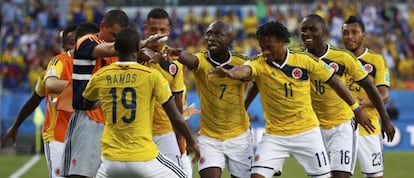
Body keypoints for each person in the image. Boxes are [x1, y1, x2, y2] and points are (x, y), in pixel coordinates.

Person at [208, 21, 372, 178]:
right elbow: (244, 70)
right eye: (262, 47)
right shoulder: (259, 62)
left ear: (282, 42)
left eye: (270, 47)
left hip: (307, 133)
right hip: (275, 136)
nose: (265, 52)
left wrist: (356, 109)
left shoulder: (303, 60)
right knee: (256, 175)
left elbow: (335, 82)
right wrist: (231, 73)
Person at [82, 27, 199, 178]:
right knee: (182, 175)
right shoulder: (152, 76)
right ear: (139, 48)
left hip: (110, 161)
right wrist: (191, 142)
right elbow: (175, 116)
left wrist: (104, 101)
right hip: (143, 158)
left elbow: (86, 103)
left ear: (115, 49)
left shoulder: (101, 75)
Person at [166, 21, 253, 178]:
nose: (211, 38)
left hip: (239, 136)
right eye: (209, 34)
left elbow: (258, 80)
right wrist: (178, 55)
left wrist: (246, 102)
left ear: (231, 38)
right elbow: (191, 60)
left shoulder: (242, 62)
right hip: (209, 138)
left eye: (218, 34)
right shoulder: (201, 60)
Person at [1, 24, 78, 178]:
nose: (74, 47)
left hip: (81, 137)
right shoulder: (54, 67)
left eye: (77, 42)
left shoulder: (94, 65)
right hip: (58, 137)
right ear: (63, 46)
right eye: (70, 43)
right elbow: (33, 101)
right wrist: (16, 126)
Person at [61, 9, 129, 178]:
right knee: (80, 174)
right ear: (102, 26)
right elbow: (106, 50)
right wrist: (137, 44)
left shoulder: (120, 53)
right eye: (113, 34)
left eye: (120, 36)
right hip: (89, 117)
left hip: (112, 123)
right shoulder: (87, 41)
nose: (116, 39)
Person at [342, 15, 396, 178]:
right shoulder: (336, 60)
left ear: (363, 35)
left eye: (354, 32)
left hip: (368, 127)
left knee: (374, 175)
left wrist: (368, 102)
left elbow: (384, 95)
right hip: (341, 127)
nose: (350, 36)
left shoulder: (376, 60)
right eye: (346, 32)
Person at [141, 8, 190, 176]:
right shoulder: (133, 54)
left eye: (162, 30)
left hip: (164, 132)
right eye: (153, 30)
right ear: (145, 29)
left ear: (168, 31)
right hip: (138, 132)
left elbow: (177, 102)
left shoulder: (175, 62)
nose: (157, 34)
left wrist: (181, 137)